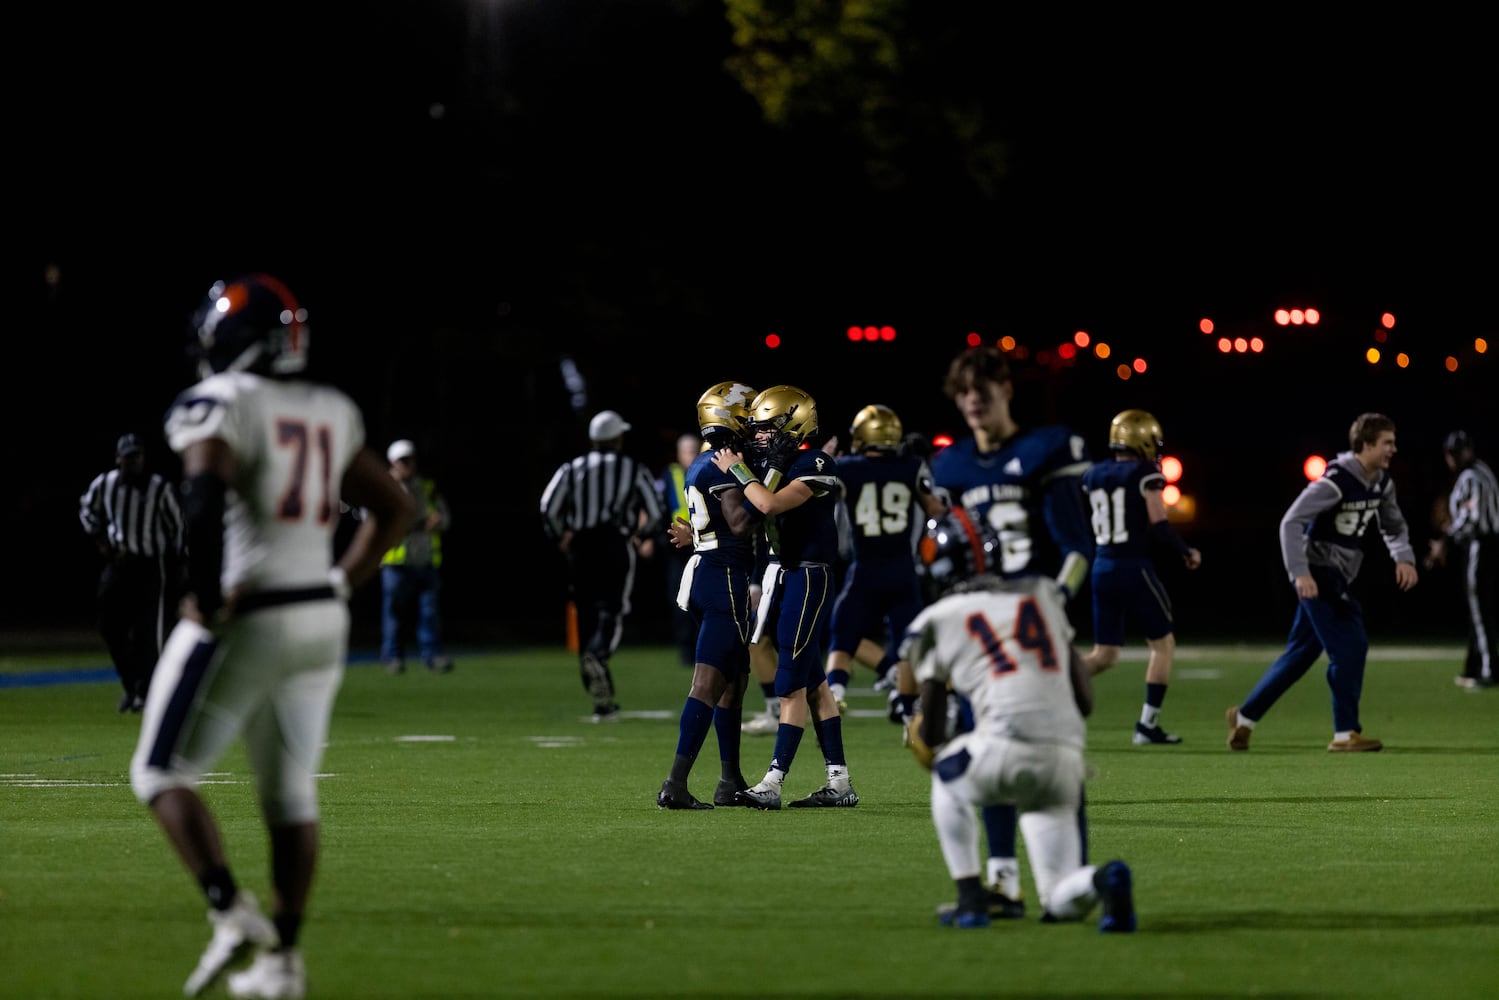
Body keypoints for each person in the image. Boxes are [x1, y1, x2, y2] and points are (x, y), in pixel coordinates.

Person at [128, 273, 414, 999]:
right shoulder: (329, 407)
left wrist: (201, 592)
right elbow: (393, 507)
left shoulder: (219, 403)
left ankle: (229, 911)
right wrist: (342, 582)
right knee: (289, 797)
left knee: (159, 774)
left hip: (250, 610)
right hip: (321, 615)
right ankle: (284, 960)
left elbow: (201, 495)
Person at [902, 508, 1135, 931]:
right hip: (1064, 762)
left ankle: (971, 898)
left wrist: (922, 728)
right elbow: (1085, 701)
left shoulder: (939, 618)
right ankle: (1103, 880)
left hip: (1000, 748)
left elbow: (933, 732)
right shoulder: (1042, 596)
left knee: (945, 776)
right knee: (1060, 894)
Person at [927, 345, 1095, 918]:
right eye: (964, 390)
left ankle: (1067, 876)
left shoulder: (1045, 449)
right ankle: (1005, 882)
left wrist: (1055, 605)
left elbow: (1078, 547)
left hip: (1036, 620)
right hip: (981, 631)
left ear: (1006, 391)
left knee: (1055, 740)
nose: (974, 399)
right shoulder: (948, 468)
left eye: (985, 388)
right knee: (985, 738)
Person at [1227, 412, 1419, 753]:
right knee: (1351, 644)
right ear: (1366, 444)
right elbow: (1290, 522)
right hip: (1319, 573)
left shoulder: (1382, 482)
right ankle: (1345, 733)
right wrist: (1300, 572)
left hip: (1337, 574)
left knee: (1300, 655)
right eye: (1387, 442)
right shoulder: (1336, 480)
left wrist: (1403, 557)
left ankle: (1244, 717)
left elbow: (1393, 525)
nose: (1394, 449)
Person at [712, 384, 857, 809]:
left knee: (790, 681)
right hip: (781, 574)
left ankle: (773, 782)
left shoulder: (815, 462)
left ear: (794, 425)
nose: (759, 435)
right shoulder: (774, 461)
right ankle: (840, 782)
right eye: (757, 427)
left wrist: (742, 471)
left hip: (808, 576)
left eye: (768, 427)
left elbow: (769, 504)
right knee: (813, 680)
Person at [657, 382, 763, 809]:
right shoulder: (726, 465)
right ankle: (676, 783)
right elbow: (740, 522)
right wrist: (763, 490)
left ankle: (729, 779)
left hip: (707, 571)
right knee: (707, 682)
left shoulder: (702, 461)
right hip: (723, 578)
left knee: (733, 683)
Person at [1080, 409, 1202, 745]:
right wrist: (1185, 552)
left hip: (1101, 567)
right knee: (1163, 645)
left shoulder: (1093, 474)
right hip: (1132, 566)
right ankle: (1147, 726)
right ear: (1143, 440)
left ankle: (1050, 681)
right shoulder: (1145, 473)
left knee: (1103, 656)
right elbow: (1160, 523)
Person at [824, 404, 947, 723]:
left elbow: (821, 500)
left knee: (842, 631)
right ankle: (908, 710)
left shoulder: (847, 468)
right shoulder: (912, 465)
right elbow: (935, 508)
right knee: (908, 642)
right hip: (902, 569)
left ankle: (835, 691)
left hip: (865, 566)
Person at [540, 409, 665, 721]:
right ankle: (598, 656)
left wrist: (560, 536)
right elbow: (655, 507)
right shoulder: (631, 468)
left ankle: (602, 701)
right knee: (612, 610)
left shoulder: (573, 468)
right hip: (614, 545)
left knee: (585, 613)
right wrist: (641, 534)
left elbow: (548, 506)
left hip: (580, 547)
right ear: (616, 438)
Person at [79, 432, 185, 712]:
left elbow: (179, 526)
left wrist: (179, 563)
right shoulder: (106, 483)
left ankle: (145, 692)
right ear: (118, 459)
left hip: (150, 564)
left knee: (146, 633)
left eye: (137, 457)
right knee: (108, 625)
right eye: (128, 458)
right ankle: (132, 684)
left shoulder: (159, 489)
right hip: (119, 562)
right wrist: (101, 540)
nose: (133, 463)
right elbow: (87, 509)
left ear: (143, 459)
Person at [1424, 430, 1498, 689]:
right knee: (1479, 608)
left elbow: (1473, 519)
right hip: (1479, 544)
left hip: (1481, 544)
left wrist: (1446, 539)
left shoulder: (1471, 476)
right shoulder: (1480, 471)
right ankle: (1474, 666)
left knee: (1480, 608)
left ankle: (1489, 670)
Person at [379, 438, 454, 674]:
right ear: (392, 462)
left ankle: (432, 656)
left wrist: (438, 521)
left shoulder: (427, 488)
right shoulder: (383, 488)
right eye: (402, 460)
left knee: (430, 613)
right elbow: (370, 519)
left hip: (425, 560)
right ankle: (392, 657)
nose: (407, 464)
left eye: (410, 459)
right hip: (395, 563)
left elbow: (445, 517)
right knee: (395, 615)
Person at [657, 431, 704, 666]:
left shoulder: (707, 471)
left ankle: (703, 648)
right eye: (687, 451)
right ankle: (686, 651)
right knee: (679, 599)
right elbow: (658, 508)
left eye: (695, 451)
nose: (691, 456)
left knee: (703, 598)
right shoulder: (670, 475)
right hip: (677, 550)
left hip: (703, 547)